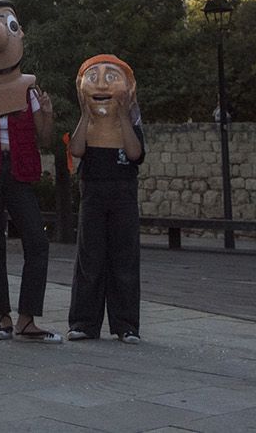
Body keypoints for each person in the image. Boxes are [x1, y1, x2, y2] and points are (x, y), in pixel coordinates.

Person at [0, 0, 59, 342]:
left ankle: (27, 317)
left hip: (20, 169)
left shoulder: (30, 92)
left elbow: (44, 138)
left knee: (37, 240)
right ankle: (2, 317)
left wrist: (45, 114)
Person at [67, 54, 145, 343]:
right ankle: (84, 322)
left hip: (123, 190)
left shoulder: (132, 122)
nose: (101, 84)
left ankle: (126, 325)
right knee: (89, 258)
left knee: (124, 258)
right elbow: (76, 150)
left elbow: (135, 153)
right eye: (93, 77)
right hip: (93, 191)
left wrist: (123, 114)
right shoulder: (86, 125)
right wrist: (85, 114)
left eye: (111, 78)